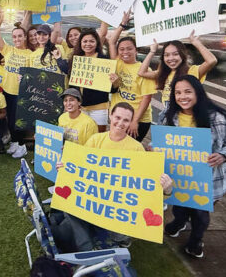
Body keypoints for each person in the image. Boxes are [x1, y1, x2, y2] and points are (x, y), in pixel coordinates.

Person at [57, 102, 173, 249]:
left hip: (118, 208)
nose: (120, 123)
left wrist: (167, 189)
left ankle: (118, 238)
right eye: (117, 117)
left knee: (118, 237)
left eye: (126, 120)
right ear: (110, 116)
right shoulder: (96, 140)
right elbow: (80, 169)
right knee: (75, 221)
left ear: (131, 122)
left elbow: (146, 189)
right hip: (93, 200)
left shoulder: (137, 149)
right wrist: (64, 168)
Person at [161, 75, 226, 258]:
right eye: (178, 92)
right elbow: (163, 142)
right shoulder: (169, 116)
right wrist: (155, 148)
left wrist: (223, 155)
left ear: (198, 92)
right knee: (179, 204)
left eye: (188, 92)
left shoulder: (218, 119)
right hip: (180, 175)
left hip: (210, 177)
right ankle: (179, 222)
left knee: (200, 212)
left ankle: (196, 241)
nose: (183, 97)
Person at [138, 32, 217, 110]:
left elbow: (211, 61)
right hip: (169, 115)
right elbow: (142, 72)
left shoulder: (192, 71)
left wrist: (196, 43)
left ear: (182, 55)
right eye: (167, 55)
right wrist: (152, 52)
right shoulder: (162, 73)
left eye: (175, 54)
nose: (171, 58)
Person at [108, 13, 156, 143]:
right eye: (122, 49)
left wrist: (135, 121)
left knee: (131, 152)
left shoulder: (144, 70)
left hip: (138, 119)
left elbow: (147, 98)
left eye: (129, 49)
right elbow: (111, 41)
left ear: (136, 50)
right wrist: (123, 24)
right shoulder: (117, 62)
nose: (125, 52)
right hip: (119, 117)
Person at [0, 7, 33, 159]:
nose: (16, 39)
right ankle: (16, 142)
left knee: (19, 122)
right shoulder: (8, 50)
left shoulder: (30, 54)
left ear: (25, 38)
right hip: (8, 91)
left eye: (19, 36)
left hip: (21, 93)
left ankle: (22, 146)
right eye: (14, 37)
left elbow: (34, 76)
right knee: (10, 119)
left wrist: (28, 13)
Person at [69, 28, 112, 132]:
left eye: (92, 41)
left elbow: (112, 89)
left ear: (97, 43)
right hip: (81, 108)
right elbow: (72, 85)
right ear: (80, 43)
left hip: (99, 108)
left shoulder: (105, 60)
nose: (88, 44)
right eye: (85, 41)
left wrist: (115, 82)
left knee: (97, 137)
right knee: (81, 136)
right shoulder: (76, 59)